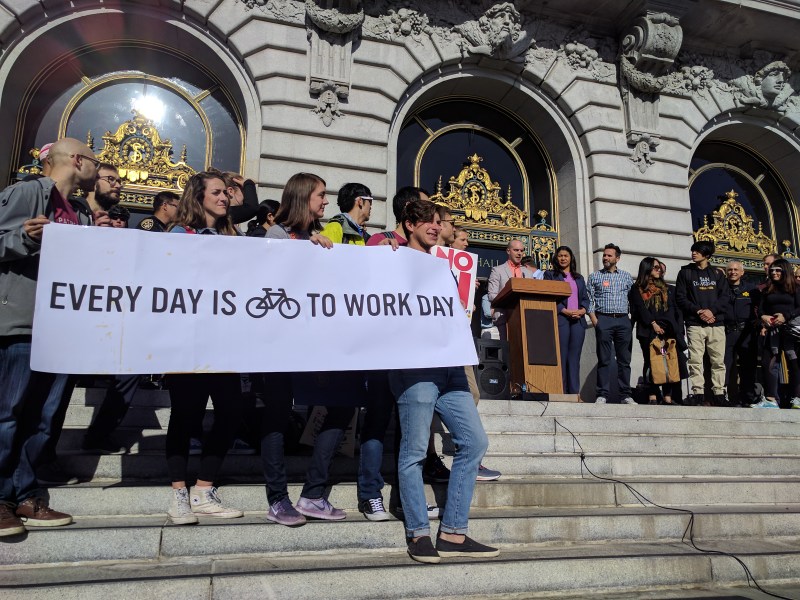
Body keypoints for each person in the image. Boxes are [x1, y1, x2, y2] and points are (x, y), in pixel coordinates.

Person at [0, 137, 100, 537]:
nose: (100, 167)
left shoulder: (78, 210)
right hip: (23, 323)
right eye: (96, 160)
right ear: (77, 160)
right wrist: (23, 237)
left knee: (42, 419)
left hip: (60, 327)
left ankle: (25, 493)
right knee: (8, 414)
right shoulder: (26, 193)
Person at [390, 198, 497, 564]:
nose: (435, 226)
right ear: (409, 225)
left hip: (450, 367)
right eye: (427, 222)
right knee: (415, 452)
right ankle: (418, 533)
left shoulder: (445, 265)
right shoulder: (392, 256)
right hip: (414, 368)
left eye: (438, 221)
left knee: (474, 442)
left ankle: (453, 532)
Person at [262, 172, 357, 526]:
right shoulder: (275, 235)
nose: (326, 202)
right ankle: (277, 499)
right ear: (304, 197)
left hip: (314, 343)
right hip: (278, 345)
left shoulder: (314, 238)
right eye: (321, 195)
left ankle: (313, 494)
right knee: (276, 413)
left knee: (342, 404)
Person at [164, 171, 244, 525]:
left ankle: (204, 489)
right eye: (217, 192)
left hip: (224, 343)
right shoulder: (179, 235)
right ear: (198, 197)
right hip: (187, 343)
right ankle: (179, 494)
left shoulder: (233, 236)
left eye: (226, 193)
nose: (225, 198)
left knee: (230, 412)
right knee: (185, 416)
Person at [675, 241, 730, 406]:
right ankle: (698, 392)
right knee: (695, 360)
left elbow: (725, 297)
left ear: (707, 254)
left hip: (716, 324)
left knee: (718, 361)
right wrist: (699, 311)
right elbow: (680, 297)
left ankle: (719, 394)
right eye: (693, 251)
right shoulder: (685, 273)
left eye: (697, 251)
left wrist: (711, 311)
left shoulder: (718, 273)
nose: (694, 254)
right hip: (695, 323)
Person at [629, 257, 687, 405]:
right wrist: (653, 323)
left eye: (659, 268)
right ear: (647, 268)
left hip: (666, 330)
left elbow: (672, 309)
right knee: (650, 362)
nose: (658, 269)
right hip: (647, 331)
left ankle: (667, 396)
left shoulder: (666, 288)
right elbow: (641, 309)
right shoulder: (638, 289)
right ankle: (653, 394)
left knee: (666, 360)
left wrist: (666, 326)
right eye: (655, 267)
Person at [587, 243, 635, 404]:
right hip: (604, 320)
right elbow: (589, 300)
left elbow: (633, 300)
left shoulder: (626, 277)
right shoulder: (595, 277)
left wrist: (630, 321)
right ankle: (602, 394)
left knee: (624, 360)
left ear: (617, 258)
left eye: (609, 255)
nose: (605, 258)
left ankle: (626, 395)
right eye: (604, 255)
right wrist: (595, 321)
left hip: (623, 320)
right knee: (604, 359)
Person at [755, 258, 800, 409]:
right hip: (773, 331)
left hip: (792, 332)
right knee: (769, 362)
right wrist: (763, 317)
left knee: (794, 364)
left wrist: (786, 316)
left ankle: (797, 397)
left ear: (785, 271)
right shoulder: (768, 289)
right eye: (772, 270)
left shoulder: (796, 288)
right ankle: (770, 399)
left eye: (777, 270)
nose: (773, 272)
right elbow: (761, 309)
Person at [544, 246, 589, 395]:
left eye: (566, 256)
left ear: (571, 258)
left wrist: (582, 310)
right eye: (560, 256)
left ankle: (574, 393)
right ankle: (561, 392)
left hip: (578, 321)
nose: (563, 258)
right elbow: (548, 296)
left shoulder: (579, 278)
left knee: (574, 358)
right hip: (562, 318)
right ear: (556, 258)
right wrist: (564, 310)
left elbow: (585, 299)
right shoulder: (550, 275)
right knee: (561, 356)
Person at [487, 239, 534, 342]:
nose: (519, 253)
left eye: (521, 251)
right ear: (508, 251)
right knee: (507, 352)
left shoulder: (528, 273)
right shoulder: (497, 270)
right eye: (516, 250)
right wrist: (508, 298)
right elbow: (491, 295)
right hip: (504, 317)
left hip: (525, 316)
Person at [723, 261, 757, 407]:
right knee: (725, 365)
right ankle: (727, 396)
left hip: (746, 332)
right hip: (727, 331)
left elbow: (758, 308)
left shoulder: (751, 288)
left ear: (742, 272)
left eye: (736, 269)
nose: (733, 272)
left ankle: (747, 398)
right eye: (730, 269)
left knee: (747, 367)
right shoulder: (721, 288)